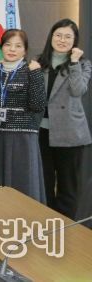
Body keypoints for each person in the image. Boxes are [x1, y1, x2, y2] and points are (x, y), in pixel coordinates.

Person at [37, 19, 91, 217]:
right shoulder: (38, 63)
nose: (62, 40)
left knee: (68, 186)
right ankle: (47, 222)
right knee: (44, 183)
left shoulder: (83, 64)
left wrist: (74, 62)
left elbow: (78, 90)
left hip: (70, 134)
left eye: (68, 36)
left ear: (75, 40)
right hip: (41, 132)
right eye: (58, 35)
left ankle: (66, 227)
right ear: (51, 37)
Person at [0, 29, 46, 203]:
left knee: (23, 183)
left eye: (18, 46)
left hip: (23, 136)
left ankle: (26, 217)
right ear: (1, 47)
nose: (12, 49)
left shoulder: (31, 70)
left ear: (25, 50)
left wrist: (36, 74)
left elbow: (38, 105)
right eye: (8, 45)